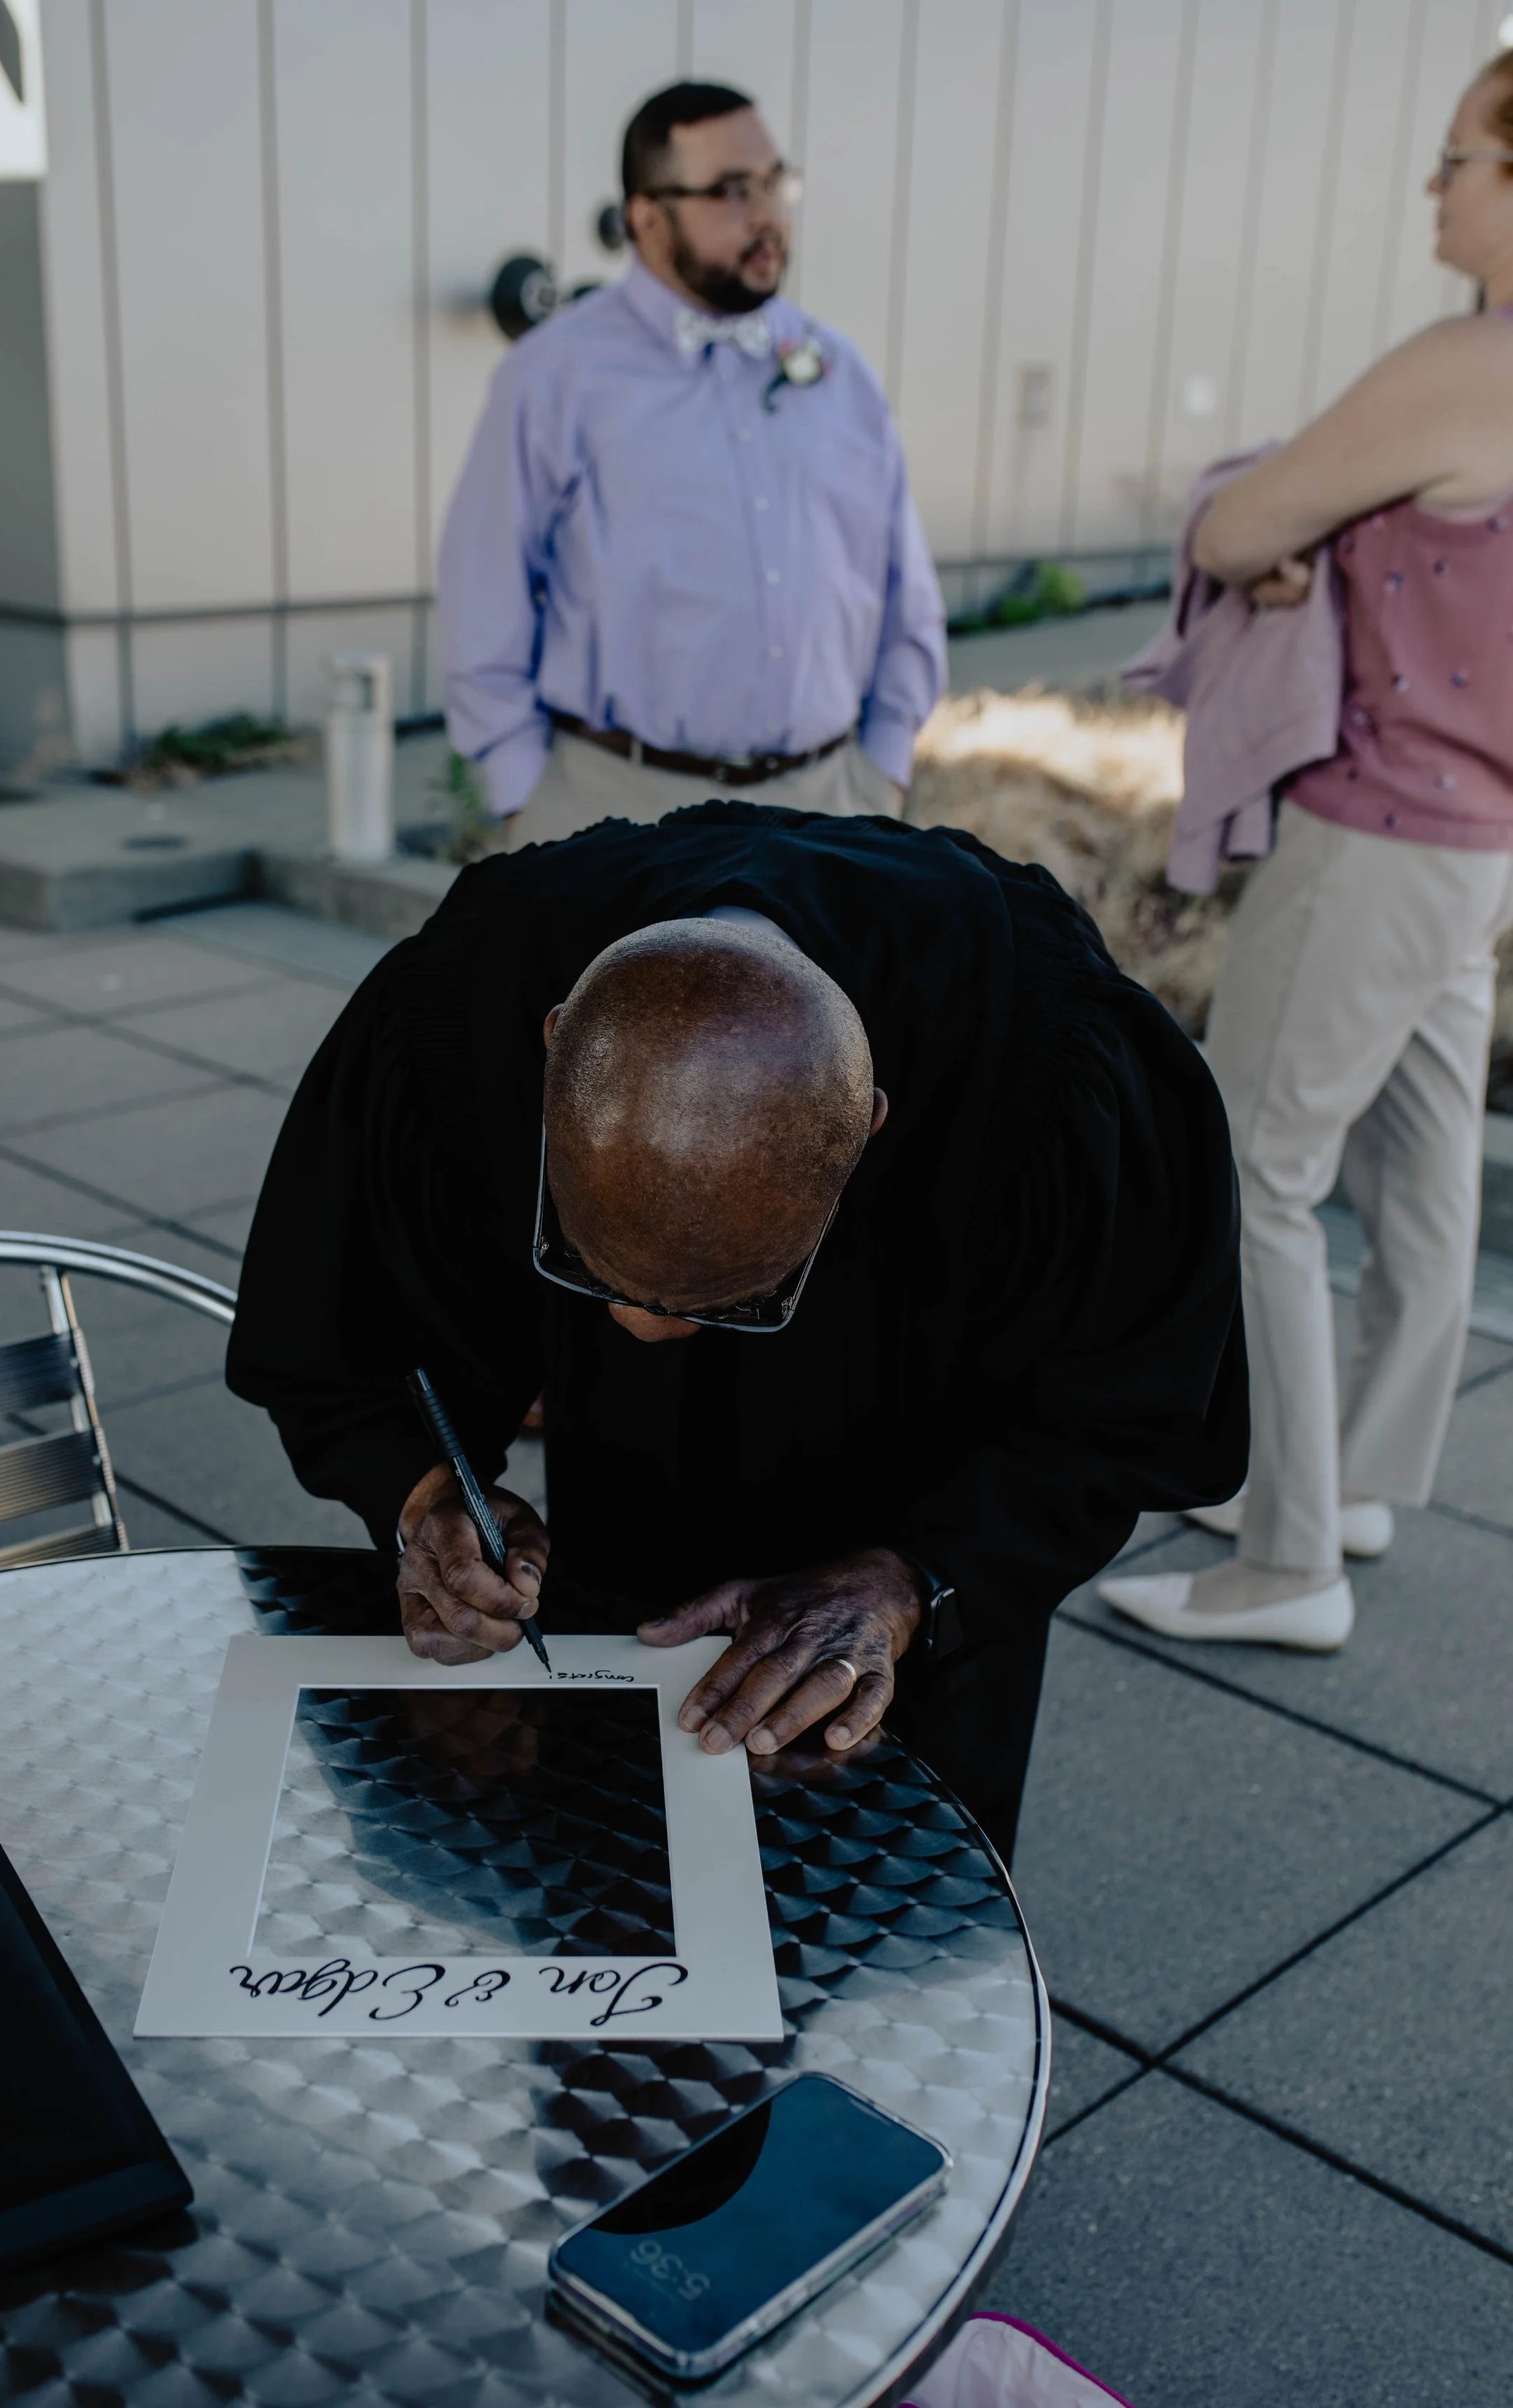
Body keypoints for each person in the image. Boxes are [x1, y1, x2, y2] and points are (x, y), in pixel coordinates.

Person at [228, 806, 1246, 1863]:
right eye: (585, 1264)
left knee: (883, 1948)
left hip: (913, 1586)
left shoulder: (1044, 1067)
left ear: (867, 1130)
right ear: (553, 1047)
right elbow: (347, 1335)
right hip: (615, 1548)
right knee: (602, 1896)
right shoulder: (462, 1003)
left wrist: (913, 1581)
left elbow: (1116, 1411)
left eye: (732, 1297)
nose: (641, 1328)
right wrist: (429, 1495)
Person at [1102, 51, 1513, 1653]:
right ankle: (1349, 1483)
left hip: (1377, 830)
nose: (1435, 186)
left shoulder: (1467, 359)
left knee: (1255, 1168)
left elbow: (1234, 526)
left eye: (1459, 158)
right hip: (1479, 844)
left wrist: (1287, 548)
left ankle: (1284, 1561)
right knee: (1420, 1171)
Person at [437, 82, 945, 849]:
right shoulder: (553, 377)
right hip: (612, 814)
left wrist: (880, 775)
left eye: (776, 182)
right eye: (731, 192)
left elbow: (906, 594)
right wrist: (526, 802)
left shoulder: (841, 374)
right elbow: (485, 598)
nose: (768, 214)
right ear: (647, 217)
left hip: (831, 811)